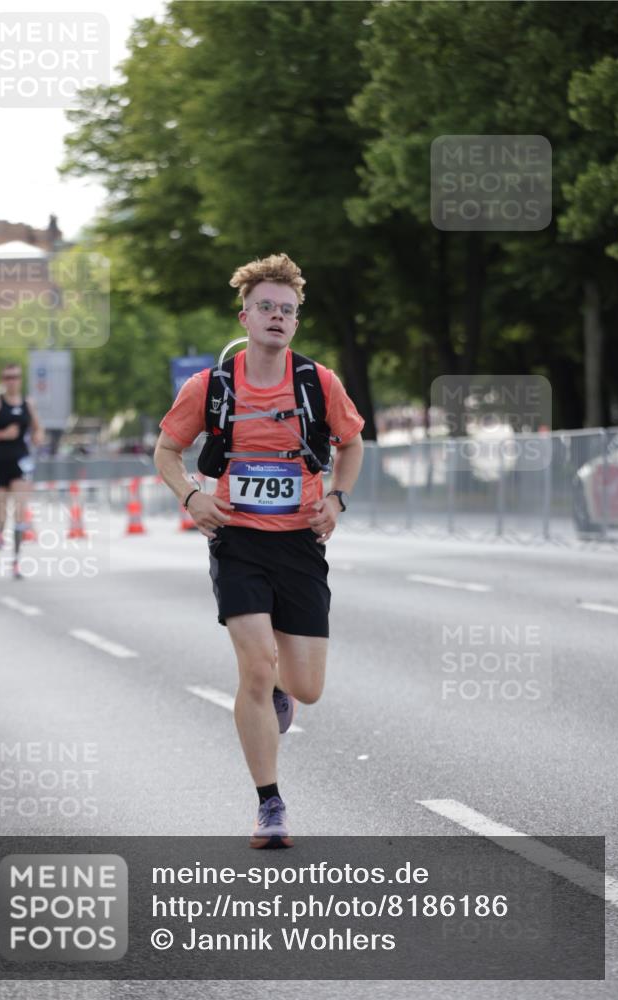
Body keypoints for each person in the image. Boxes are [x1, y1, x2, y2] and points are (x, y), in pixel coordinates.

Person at [155, 253, 364, 848]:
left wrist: (338, 500)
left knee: (306, 687)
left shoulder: (318, 383)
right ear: (245, 316)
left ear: (297, 322)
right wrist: (193, 497)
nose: (276, 317)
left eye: (287, 310)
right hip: (237, 539)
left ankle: (279, 690)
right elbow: (165, 452)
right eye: (266, 307)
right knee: (255, 664)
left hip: (300, 541)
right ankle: (270, 806)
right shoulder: (211, 386)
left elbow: (352, 445)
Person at [0, 362, 44, 576]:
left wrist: (39, 436)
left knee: (21, 511)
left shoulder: (27, 403)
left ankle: (16, 561)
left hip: (20, 460)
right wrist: (2, 435)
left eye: (15, 377)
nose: (12, 381)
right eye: (8, 377)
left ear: (20, 379)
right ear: (3, 380)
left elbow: (38, 428)